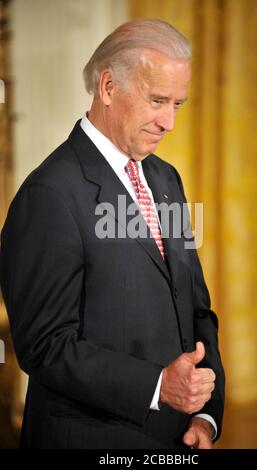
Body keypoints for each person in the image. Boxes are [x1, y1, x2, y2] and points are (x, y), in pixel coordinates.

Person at [0, 19, 225, 449]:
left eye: (178, 104)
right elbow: (45, 346)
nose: (169, 122)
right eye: (158, 100)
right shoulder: (48, 194)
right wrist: (159, 386)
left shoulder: (166, 179)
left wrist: (204, 412)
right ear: (107, 88)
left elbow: (195, 306)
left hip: (179, 436)